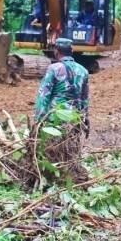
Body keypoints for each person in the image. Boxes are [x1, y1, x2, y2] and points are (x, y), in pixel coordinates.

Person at [33, 38, 90, 179]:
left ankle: (52, 178)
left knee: (52, 154)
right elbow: (84, 99)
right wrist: (84, 119)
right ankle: (72, 176)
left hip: (55, 119)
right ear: (71, 51)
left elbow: (43, 96)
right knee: (71, 153)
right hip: (74, 120)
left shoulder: (53, 69)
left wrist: (38, 120)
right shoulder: (83, 71)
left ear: (56, 51)